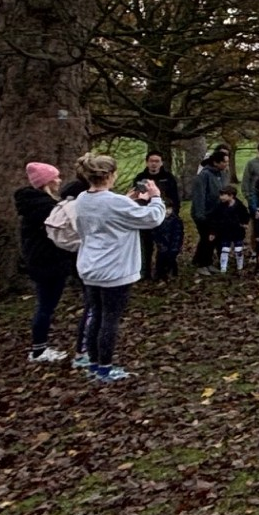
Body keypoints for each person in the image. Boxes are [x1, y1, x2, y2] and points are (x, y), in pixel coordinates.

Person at [71, 153, 166, 383]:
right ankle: (104, 368)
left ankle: (93, 363)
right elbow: (152, 218)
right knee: (109, 319)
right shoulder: (115, 202)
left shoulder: (83, 199)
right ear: (111, 175)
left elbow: (106, 214)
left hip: (90, 266)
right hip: (115, 269)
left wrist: (127, 200)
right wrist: (156, 197)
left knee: (96, 316)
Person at [15, 162, 76, 363]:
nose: (59, 181)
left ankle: (39, 347)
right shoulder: (46, 208)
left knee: (45, 305)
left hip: (40, 262)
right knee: (46, 306)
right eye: (55, 178)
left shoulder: (33, 205)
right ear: (47, 183)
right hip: (49, 262)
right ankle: (39, 349)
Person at [138, 151, 181, 280]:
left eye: (157, 161)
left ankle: (162, 272)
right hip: (146, 216)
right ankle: (144, 273)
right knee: (146, 246)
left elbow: (176, 198)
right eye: (152, 161)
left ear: (161, 163)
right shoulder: (140, 178)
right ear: (147, 162)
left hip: (165, 216)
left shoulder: (168, 178)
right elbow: (136, 198)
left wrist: (173, 211)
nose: (154, 164)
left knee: (164, 246)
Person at [189, 147, 231, 271]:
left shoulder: (222, 174)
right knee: (206, 239)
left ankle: (207, 262)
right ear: (216, 162)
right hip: (204, 214)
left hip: (216, 214)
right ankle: (202, 264)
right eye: (224, 162)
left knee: (213, 239)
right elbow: (199, 196)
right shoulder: (204, 176)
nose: (226, 164)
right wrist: (201, 215)